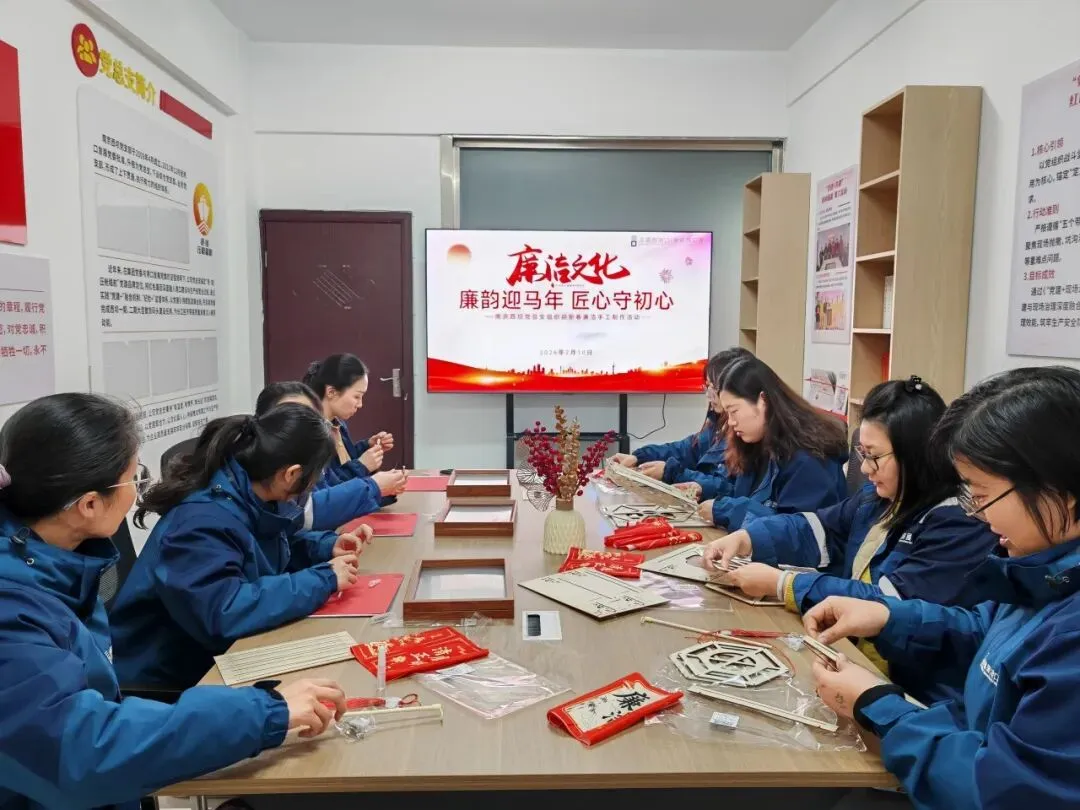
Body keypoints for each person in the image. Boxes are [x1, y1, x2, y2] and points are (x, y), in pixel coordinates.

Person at [0, 394, 346, 810]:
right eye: (134, 478)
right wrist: (265, 713)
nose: (138, 490)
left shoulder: (61, 561)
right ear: (89, 505)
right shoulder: (13, 608)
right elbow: (81, 751)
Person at [806, 366, 1080, 809]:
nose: (978, 515)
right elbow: (982, 632)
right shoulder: (1043, 568)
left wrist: (878, 706)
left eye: (983, 494)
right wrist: (888, 618)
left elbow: (1004, 790)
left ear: (1061, 489)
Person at [703, 376, 998, 701]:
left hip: (914, 691)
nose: (866, 469)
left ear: (915, 455)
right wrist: (748, 538)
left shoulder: (957, 523)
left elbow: (885, 605)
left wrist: (783, 584)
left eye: (874, 456)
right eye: (862, 453)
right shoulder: (879, 497)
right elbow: (819, 528)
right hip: (855, 659)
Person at [109, 404, 365, 690]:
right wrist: (323, 579)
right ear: (291, 474)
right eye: (316, 475)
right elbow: (223, 611)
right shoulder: (202, 522)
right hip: (169, 680)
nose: (314, 484)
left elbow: (265, 547)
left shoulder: (248, 492)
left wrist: (325, 547)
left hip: (208, 654)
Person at [696, 356, 847, 530]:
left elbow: (797, 529)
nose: (730, 422)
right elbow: (746, 497)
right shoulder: (756, 443)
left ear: (763, 400)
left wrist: (726, 511)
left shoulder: (809, 459)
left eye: (734, 411)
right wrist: (707, 490)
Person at [255, 382, 406, 530]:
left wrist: (329, 543)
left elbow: (293, 533)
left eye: (311, 417)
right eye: (356, 396)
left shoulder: (314, 445)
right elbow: (307, 513)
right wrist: (373, 486)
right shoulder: (264, 474)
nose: (360, 404)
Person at [612, 347, 750, 500]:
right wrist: (640, 456)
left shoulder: (744, 434)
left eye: (714, 388)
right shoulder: (716, 425)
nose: (708, 395)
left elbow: (727, 489)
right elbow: (683, 450)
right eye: (707, 386)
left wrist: (672, 472)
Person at [302, 353, 394, 485]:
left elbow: (345, 462)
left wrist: (367, 445)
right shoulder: (311, 433)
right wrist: (362, 465)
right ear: (331, 392)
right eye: (357, 396)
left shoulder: (337, 423)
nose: (360, 404)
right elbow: (330, 487)